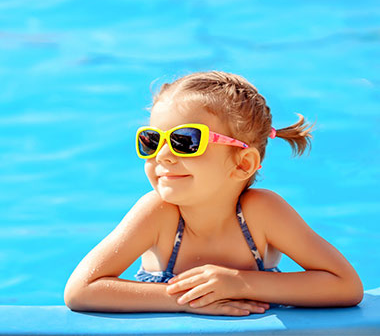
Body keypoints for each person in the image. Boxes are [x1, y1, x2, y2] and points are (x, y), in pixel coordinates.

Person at [64, 71, 363, 316]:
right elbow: (81, 290)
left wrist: (240, 283)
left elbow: (345, 285)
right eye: (152, 140)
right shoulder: (158, 213)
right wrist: (186, 301)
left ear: (243, 163)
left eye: (184, 141)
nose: (163, 156)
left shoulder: (262, 212)